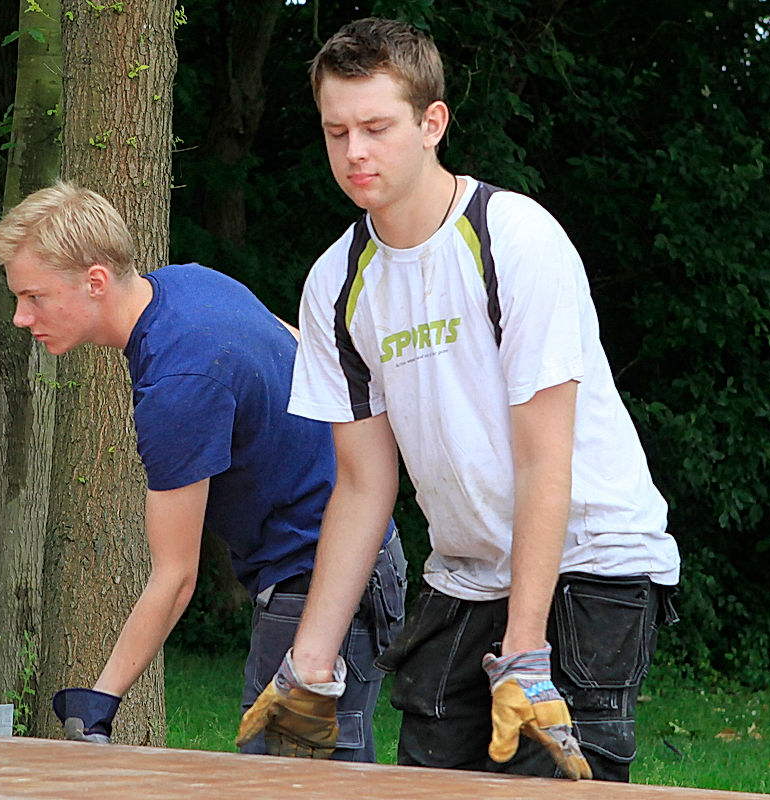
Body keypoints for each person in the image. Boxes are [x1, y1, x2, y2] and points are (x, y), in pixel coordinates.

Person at [239, 18, 680, 782]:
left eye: (377, 127)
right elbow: (362, 483)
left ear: (432, 122)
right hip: (466, 566)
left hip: (587, 558)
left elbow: (546, 460)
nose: (355, 153)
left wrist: (527, 653)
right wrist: (306, 663)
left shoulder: (513, 237)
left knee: (548, 784)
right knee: (427, 780)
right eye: (336, 131)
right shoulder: (336, 283)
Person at [0, 182, 405, 762]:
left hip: (320, 579)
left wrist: (100, 700)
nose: (21, 317)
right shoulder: (189, 284)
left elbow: (176, 577)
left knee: (291, 783)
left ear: (96, 281)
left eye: (33, 297)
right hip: (360, 561)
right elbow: (298, 343)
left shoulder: (178, 386)